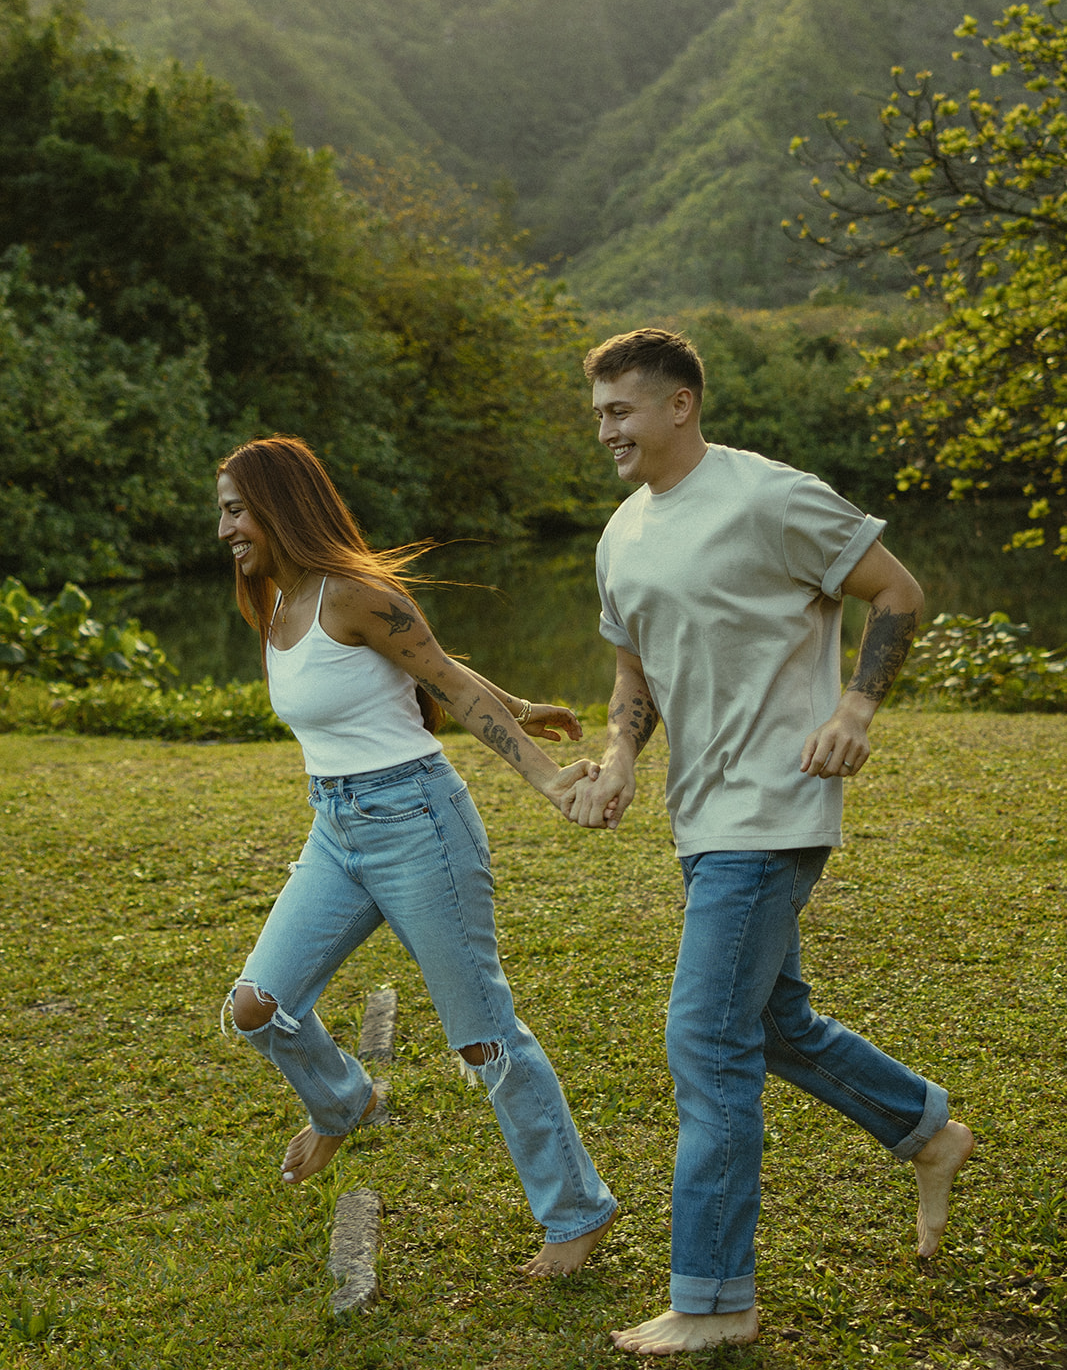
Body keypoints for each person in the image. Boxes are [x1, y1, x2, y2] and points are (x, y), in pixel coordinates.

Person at [566, 328, 973, 1354]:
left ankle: (714, 1299)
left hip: (772, 809)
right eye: (599, 412)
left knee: (704, 1038)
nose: (605, 428)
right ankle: (926, 1131)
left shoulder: (768, 496)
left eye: (620, 408)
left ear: (677, 407)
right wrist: (619, 756)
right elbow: (634, 671)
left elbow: (896, 590)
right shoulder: (621, 532)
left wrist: (855, 709)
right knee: (773, 1022)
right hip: (699, 816)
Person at [215, 434, 617, 1278]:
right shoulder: (273, 603)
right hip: (335, 829)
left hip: (417, 823)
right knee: (257, 1005)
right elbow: (427, 671)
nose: (225, 530)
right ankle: (344, 1103)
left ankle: (575, 1213)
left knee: (483, 1038)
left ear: (278, 506)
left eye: (235, 510)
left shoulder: (355, 594)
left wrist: (545, 779)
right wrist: (522, 702)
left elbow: (445, 679)